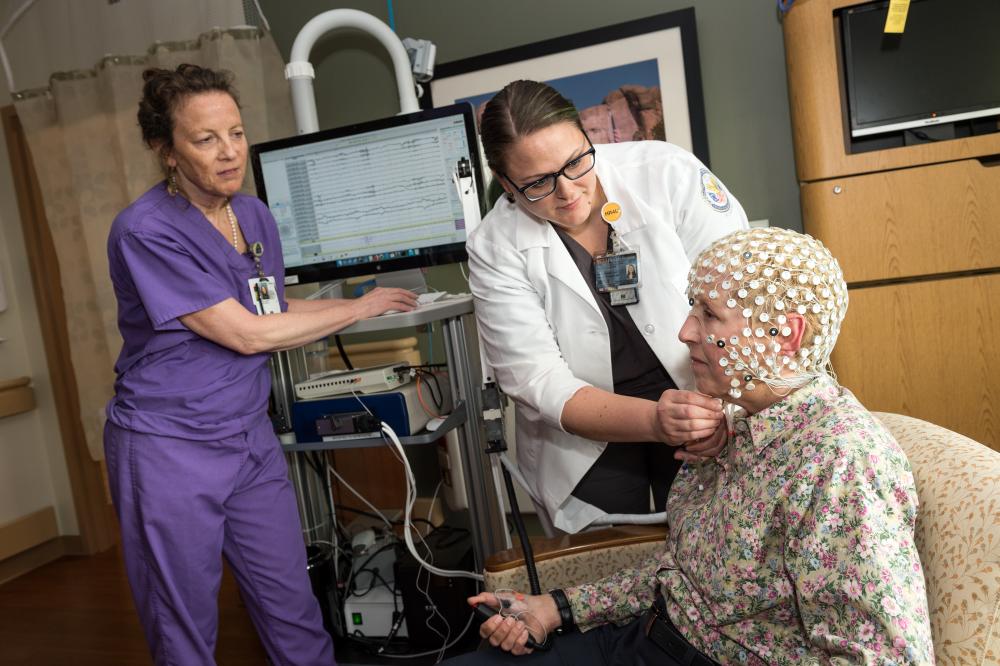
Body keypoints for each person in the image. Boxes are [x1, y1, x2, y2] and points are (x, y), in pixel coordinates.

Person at [445, 226, 935, 665]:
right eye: (691, 308)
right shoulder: (736, 426)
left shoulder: (839, 464)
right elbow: (681, 577)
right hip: (647, 636)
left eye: (709, 314)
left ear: (787, 334)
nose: (684, 332)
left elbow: (884, 656)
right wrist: (556, 608)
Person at [104, 64, 417, 665]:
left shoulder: (252, 216)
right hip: (170, 446)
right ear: (165, 150)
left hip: (248, 439)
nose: (229, 153)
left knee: (293, 608)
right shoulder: (144, 231)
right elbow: (247, 334)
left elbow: (264, 304)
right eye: (205, 139)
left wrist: (357, 302)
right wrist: (354, 313)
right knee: (183, 628)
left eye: (237, 133)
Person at [468, 80, 749, 532]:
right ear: (506, 185)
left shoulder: (666, 174)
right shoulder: (494, 246)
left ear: (586, 136)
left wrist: (720, 410)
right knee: (613, 575)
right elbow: (538, 379)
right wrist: (656, 421)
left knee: (717, 553)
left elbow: (739, 299)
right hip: (587, 424)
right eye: (538, 183)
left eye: (576, 162)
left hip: (704, 394)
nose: (568, 192)